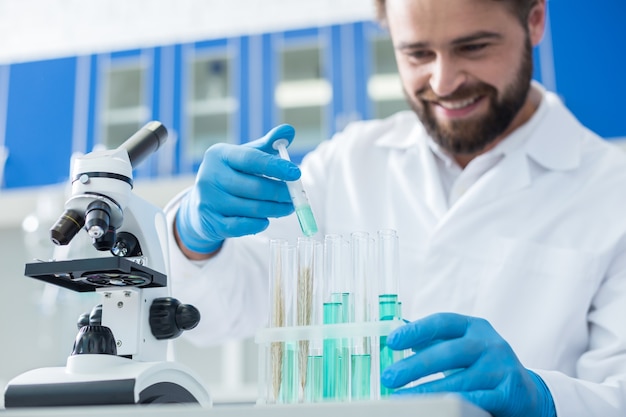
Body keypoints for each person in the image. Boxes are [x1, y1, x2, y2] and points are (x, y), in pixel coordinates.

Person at [165, 0, 626, 415]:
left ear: (535, 20)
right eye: (418, 54)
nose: (444, 82)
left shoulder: (611, 190)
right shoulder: (349, 161)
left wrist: (543, 399)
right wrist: (194, 235)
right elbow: (226, 312)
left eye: (474, 47)